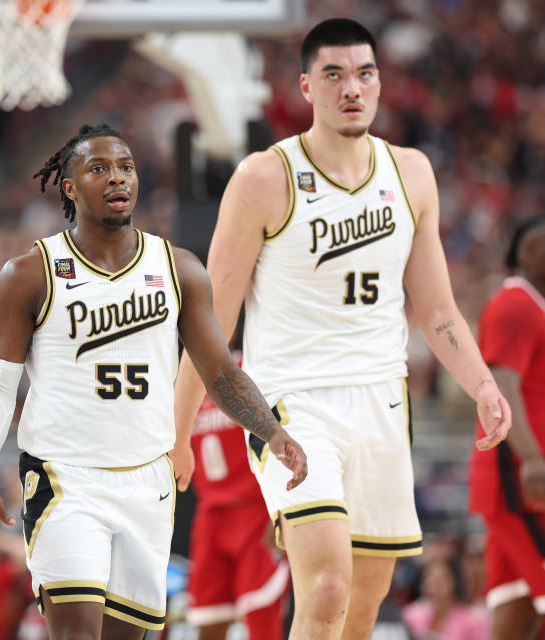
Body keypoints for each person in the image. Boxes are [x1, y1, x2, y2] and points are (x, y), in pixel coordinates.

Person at [171, 18, 511, 640]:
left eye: (364, 73)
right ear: (306, 86)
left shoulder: (410, 174)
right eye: (333, 75)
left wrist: (483, 385)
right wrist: (176, 429)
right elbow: (212, 314)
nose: (351, 87)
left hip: (382, 401)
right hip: (291, 403)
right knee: (324, 587)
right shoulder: (263, 177)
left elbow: (436, 310)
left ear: (380, 83)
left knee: (360, 605)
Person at [0, 123, 307, 640]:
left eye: (125, 166)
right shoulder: (29, 273)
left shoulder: (180, 269)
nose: (116, 177)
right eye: (98, 168)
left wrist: (270, 429)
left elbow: (219, 371)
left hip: (148, 480)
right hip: (65, 479)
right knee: (77, 630)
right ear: (70, 186)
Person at [469, 214, 545, 640]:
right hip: (519, 479)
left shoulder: (531, 307)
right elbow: (500, 385)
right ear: (531, 251)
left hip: (520, 482)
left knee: (514, 622)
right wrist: (532, 459)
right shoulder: (516, 304)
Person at [186, 348, 289, 640]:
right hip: (210, 511)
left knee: (260, 616)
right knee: (208, 619)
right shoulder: (185, 379)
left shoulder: (249, 366)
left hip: (255, 509)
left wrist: (280, 508)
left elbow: (283, 435)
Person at [401, 557, 490, 640]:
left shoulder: (473, 621)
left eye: (441, 579)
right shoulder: (411, 614)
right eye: (430, 578)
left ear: (455, 582)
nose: (434, 585)